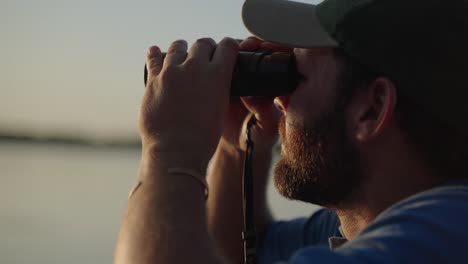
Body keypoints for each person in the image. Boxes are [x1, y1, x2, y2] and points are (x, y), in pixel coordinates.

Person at [113, 0, 468, 263]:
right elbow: (237, 250)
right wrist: (237, 142)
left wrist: (169, 150)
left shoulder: (437, 237)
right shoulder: (375, 220)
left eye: (294, 75)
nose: (280, 99)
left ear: (372, 109)